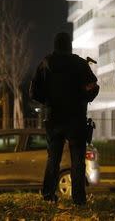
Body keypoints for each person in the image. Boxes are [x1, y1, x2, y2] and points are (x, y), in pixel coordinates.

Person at [29, 32, 99, 205]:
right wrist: (85, 96)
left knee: (53, 158)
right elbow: (93, 87)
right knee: (77, 159)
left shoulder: (45, 63)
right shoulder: (80, 63)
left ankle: (48, 195)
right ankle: (78, 198)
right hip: (76, 118)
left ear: (55, 45)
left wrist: (48, 100)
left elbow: (33, 92)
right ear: (69, 45)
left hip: (53, 117)